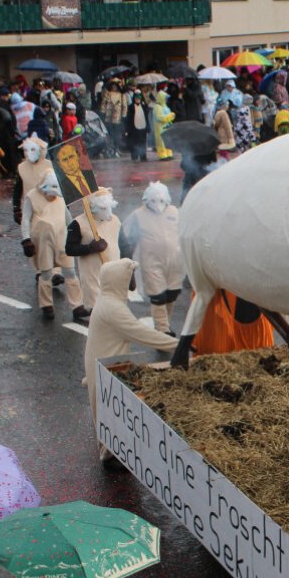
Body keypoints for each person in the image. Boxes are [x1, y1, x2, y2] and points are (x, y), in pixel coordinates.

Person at [84, 258, 177, 458]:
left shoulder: (106, 298)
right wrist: (181, 345)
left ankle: (113, 453)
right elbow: (143, 334)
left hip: (102, 366)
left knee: (109, 416)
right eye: (130, 276)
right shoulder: (114, 309)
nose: (133, 281)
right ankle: (111, 458)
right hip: (106, 370)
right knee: (110, 420)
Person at [21, 171, 85, 320]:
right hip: (43, 242)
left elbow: (68, 218)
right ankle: (46, 305)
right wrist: (26, 239)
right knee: (46, 273)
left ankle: (77, 306)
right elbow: (25, 219)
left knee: (70, 272)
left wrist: (76, 233)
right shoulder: (32, 196)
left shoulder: (60, 198)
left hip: (63, 240)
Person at [121, 182, 182, 334]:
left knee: (171, 294)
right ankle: (162, 329)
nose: (158, 204)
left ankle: (164, 323)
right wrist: (129, 266)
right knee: (158, 295)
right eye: (153, 200)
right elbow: (128, 241)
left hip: (175, 262)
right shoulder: (138, 216)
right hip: (151, 263)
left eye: (161, 200)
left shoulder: (174, 212)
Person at [65, 188, 119, 320]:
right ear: (93, 207)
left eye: (109, 208)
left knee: (114, 311)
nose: (109, 213)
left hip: (113, 273)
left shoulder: (115, 220)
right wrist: (90, 248)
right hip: (93, 276)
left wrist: (130, 273)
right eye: (103, 208)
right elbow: (70, 249)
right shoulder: (78, 224)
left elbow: (123, 244)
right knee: (99, 315)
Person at [0, 87, 19, 178]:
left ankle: (4, 171)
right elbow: (8, 119)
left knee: (1, 153)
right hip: (6, 134)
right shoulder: (3, 105)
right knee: (9, 153)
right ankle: (11, 170)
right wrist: (13, 131)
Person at [99, 81, 126, 158]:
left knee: (117, 134)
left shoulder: (121, 95)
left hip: (117, 117)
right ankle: (111, 148)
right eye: (113, 86)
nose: (114, 87)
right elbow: (103, 104)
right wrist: (103, 112)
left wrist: (124, 115)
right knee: (109, 134)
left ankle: (117, 148)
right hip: (108, 116)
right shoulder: (107, 94)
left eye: (115, 86)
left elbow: (124, 106)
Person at [125, 91, 151, 162]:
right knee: (134, 143)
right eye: (136, 98)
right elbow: (128, 119)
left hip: (143, 127)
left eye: (139, 98)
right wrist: (128, 129)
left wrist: (148, 128)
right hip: (134, 128)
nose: (138, 99)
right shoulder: (131, 107)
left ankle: (143, 157)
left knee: (143, 143)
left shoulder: (144, 106)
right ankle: (134, 157)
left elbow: (147, 117)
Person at [152, 92, 175, 160]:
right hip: (160, 128)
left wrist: (171, 117)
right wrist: (169, 117)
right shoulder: (157, 107)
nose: (166, 99)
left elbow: (168, 115)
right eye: (165, 98)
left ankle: (168, 153)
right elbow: (159, 117)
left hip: (167, 126)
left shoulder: (165, 106)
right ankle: (162, 155)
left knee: (168, 140)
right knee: (161, 142)